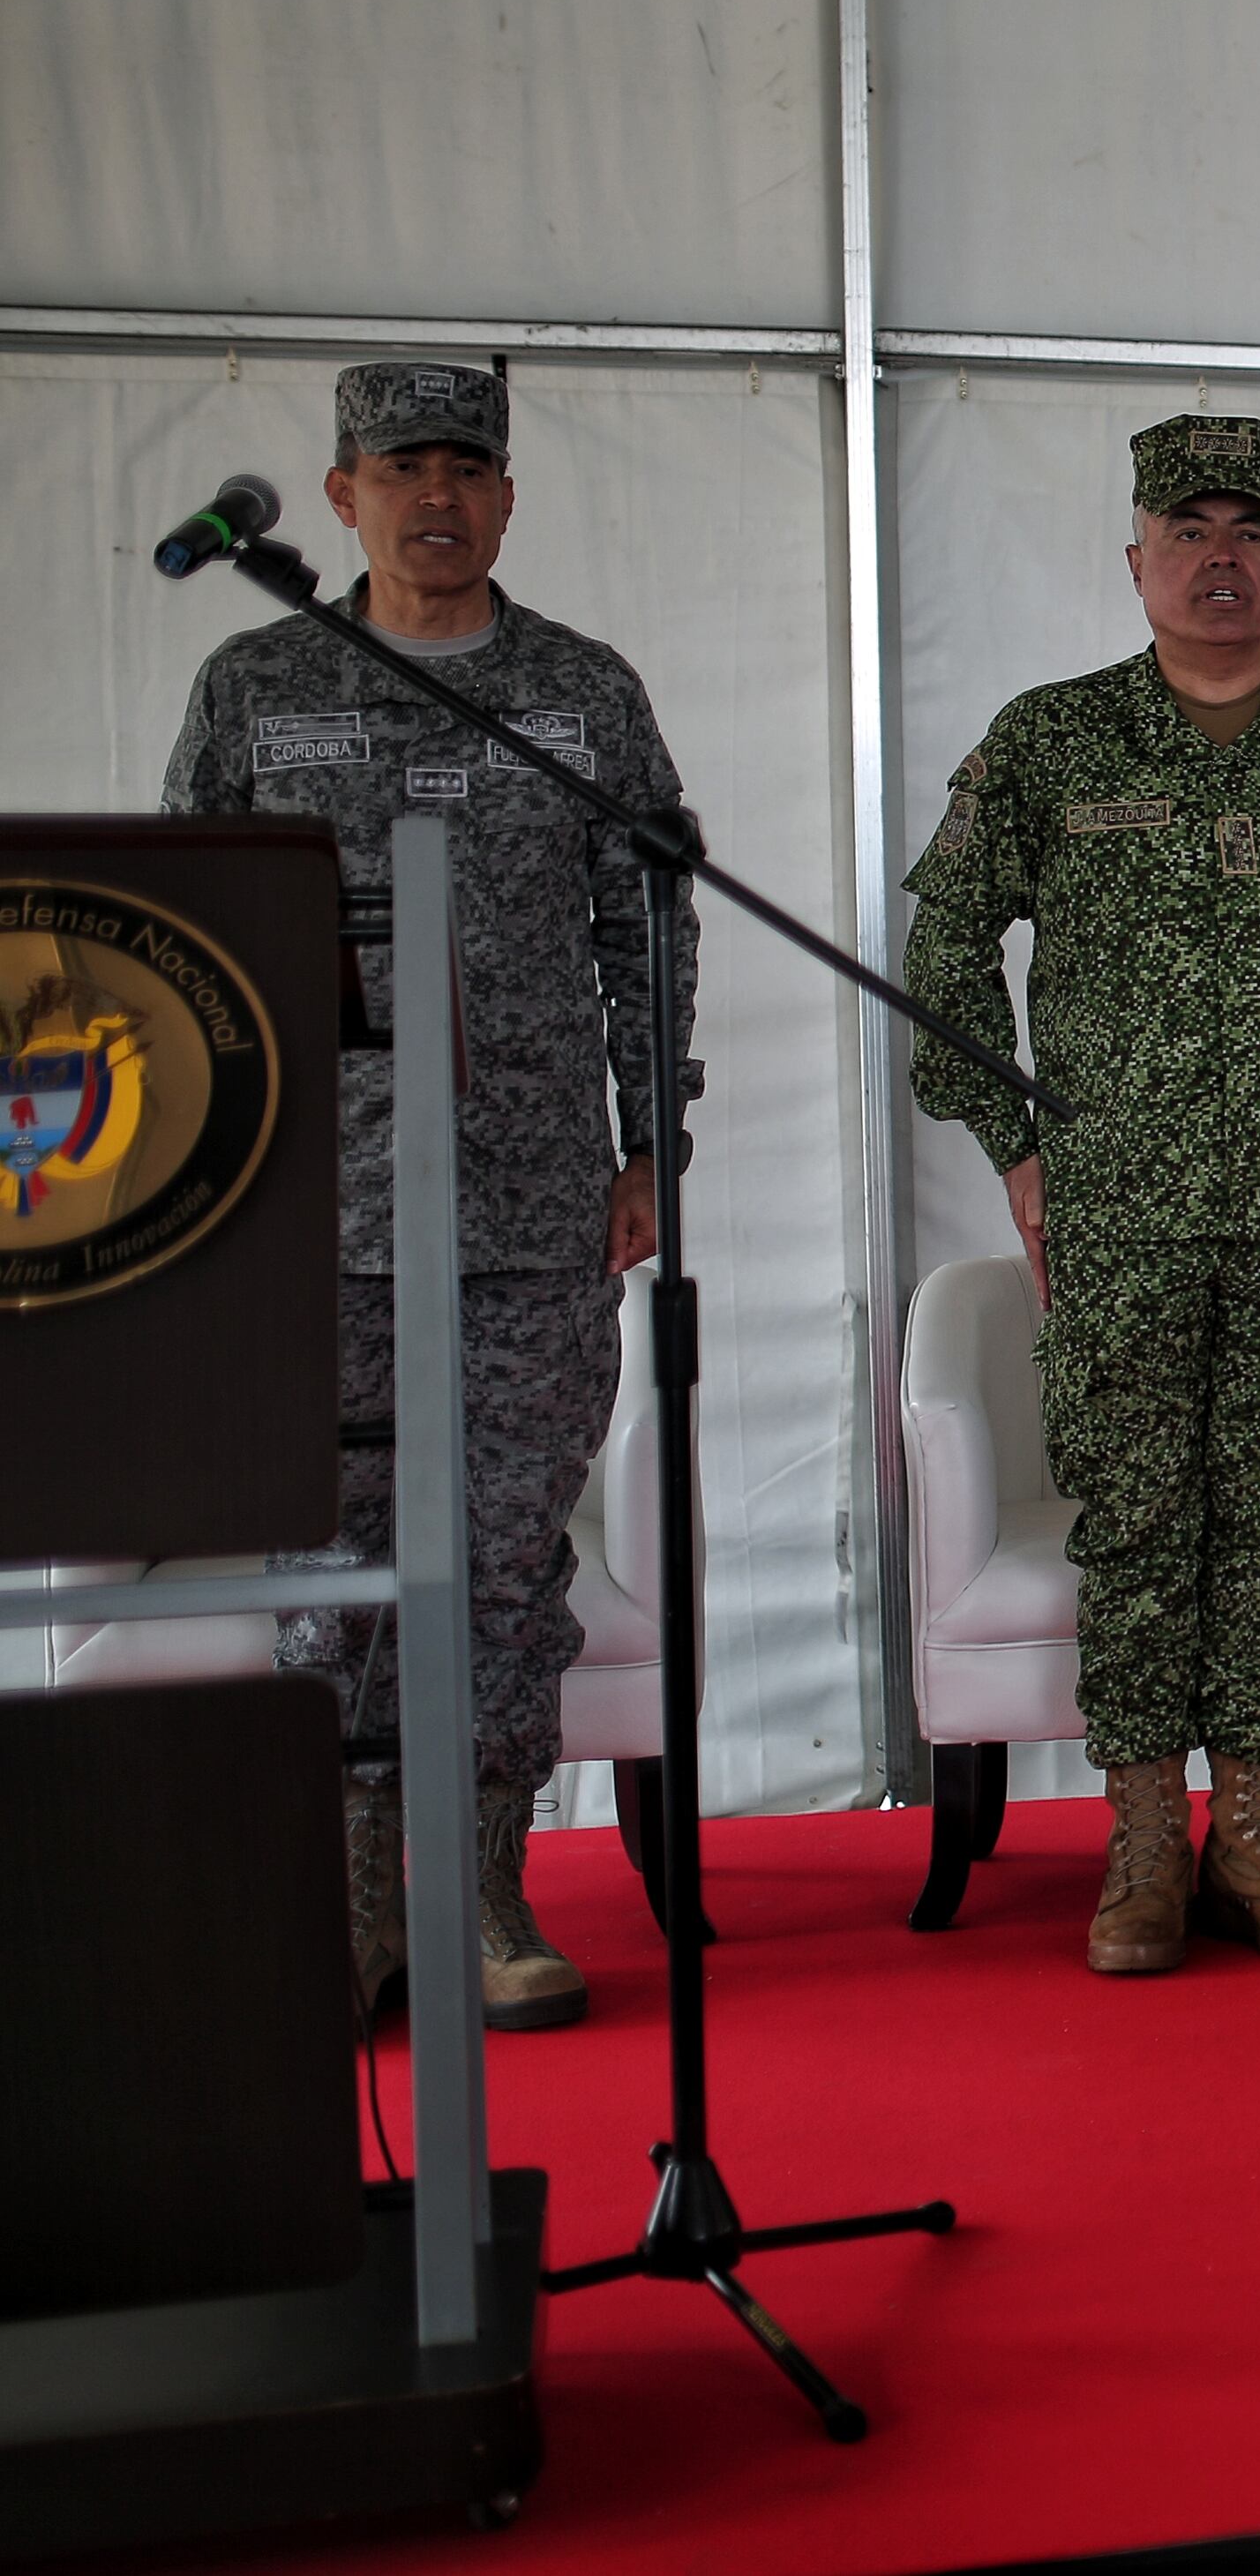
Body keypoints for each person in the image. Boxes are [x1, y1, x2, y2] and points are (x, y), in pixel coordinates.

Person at [903, 416, 1260, 1976]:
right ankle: (1145, 1835)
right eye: (1190, 528)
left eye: (1251, 528)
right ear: (1139, 557)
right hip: (1120, 1209)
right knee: (1143, 1521)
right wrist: (1017, 1145)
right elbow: (943, 951)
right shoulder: (1050, 741)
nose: (1221, 556)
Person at [161, 360, 697, 2031]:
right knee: (332, 1555)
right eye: (403, 469)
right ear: (338, 496)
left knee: (501, 1552)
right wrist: (203, 1181)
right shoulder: (259, 683)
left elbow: (647, 923)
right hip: (317, 1213)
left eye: (470, 466)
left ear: (511, 497)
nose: (438, 497)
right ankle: (350, 1884)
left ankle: (479, 1884)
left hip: (534, 1206)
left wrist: (647, 1142)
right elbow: (188, 941)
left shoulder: (580, 693)